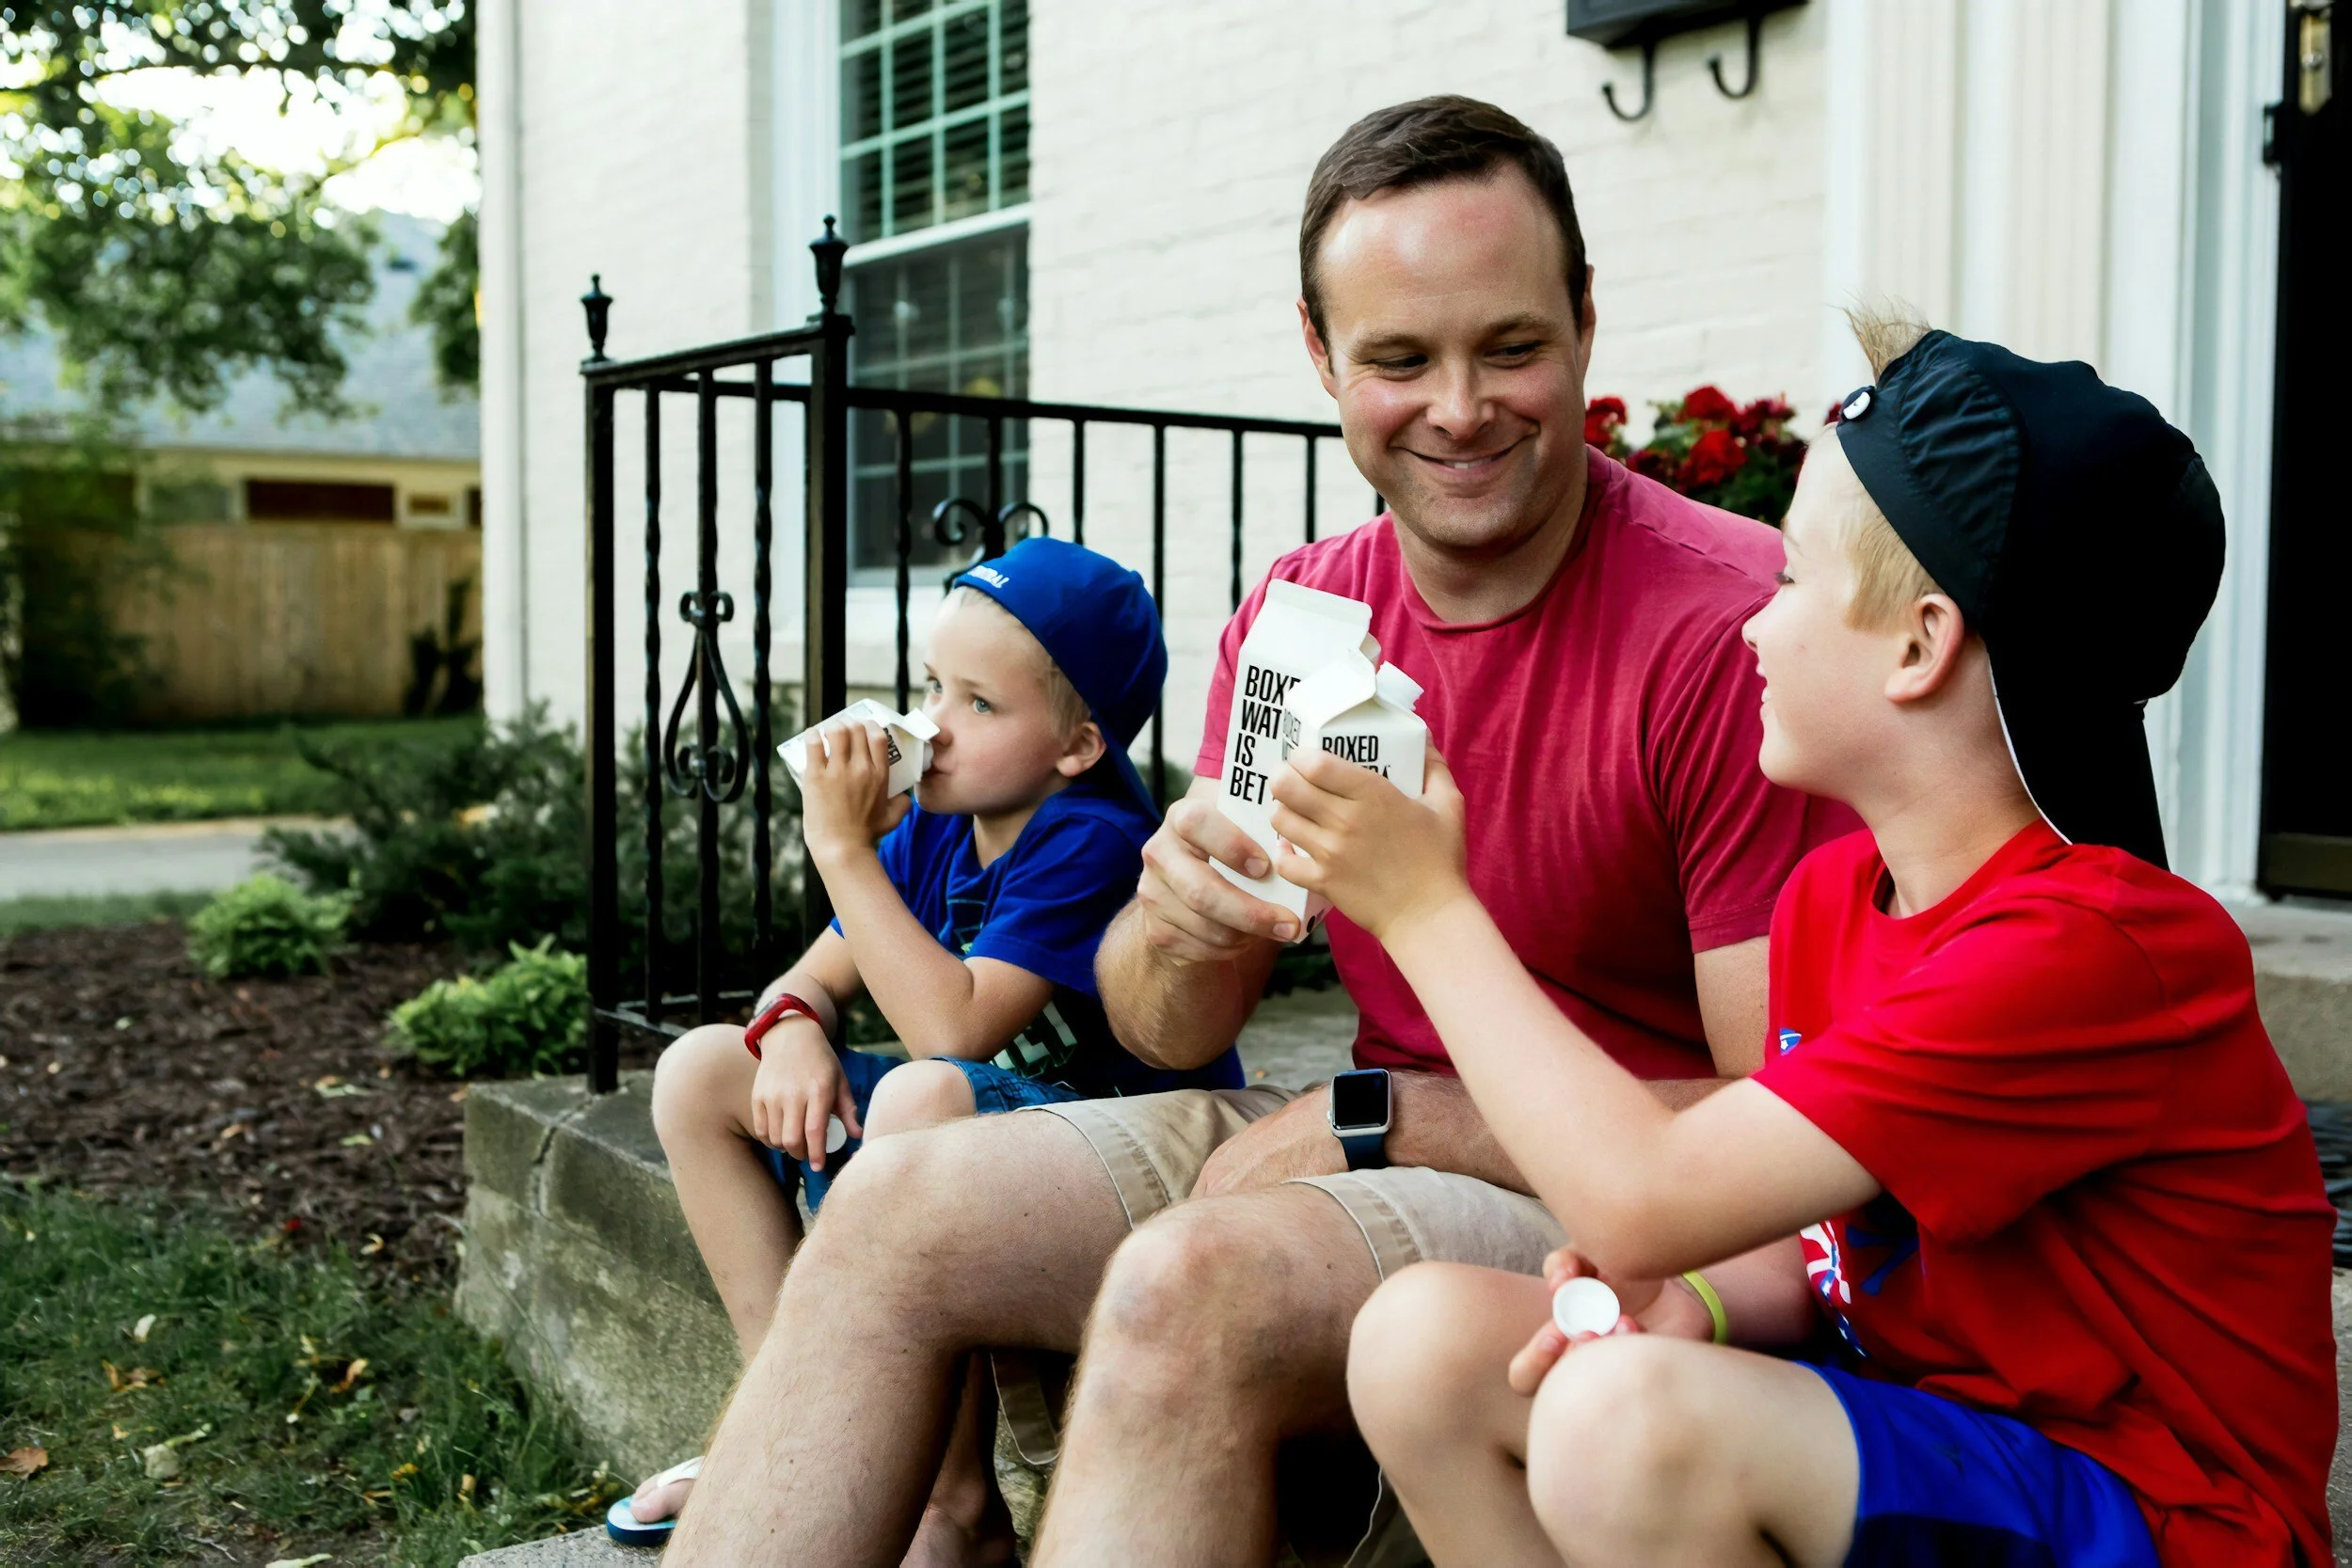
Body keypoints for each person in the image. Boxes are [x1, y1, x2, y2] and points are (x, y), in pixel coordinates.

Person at [666, 95, 1851, 1568]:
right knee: (898, 1191)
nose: (1461, 407)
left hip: (1599, 1200)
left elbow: (1792, 1130)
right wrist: (1172, 919)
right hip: (1354, 1145)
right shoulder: (1305, 615)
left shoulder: (1731, 631)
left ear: (1587, 323)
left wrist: (1387, 1116)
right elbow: (1173, 1031)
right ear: (1321, 357)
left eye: (1512, 346)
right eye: (1401, 358)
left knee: (1190, 1280)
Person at [1334, 317, 2337, 1565]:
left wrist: (1427, 907)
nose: (1753, 623)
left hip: (2165, 1514)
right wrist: (1694, 1294)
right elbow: (1824, 1253)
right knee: (1420, 1340)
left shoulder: (2093, 948)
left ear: (1920, 644)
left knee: (1626, 1419)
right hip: (1935, 1429)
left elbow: (1645, 1194)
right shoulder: (1833, 898)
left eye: (1792, 579)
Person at [615, 536, 1241, 1556]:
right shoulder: (944, 820)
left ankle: (952, 1506)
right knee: (700, 1069)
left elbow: (954, 1028)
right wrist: (791, 1033)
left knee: (919, 1097)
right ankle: (790, 1425)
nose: (929, 727)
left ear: (1077, 742)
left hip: (1108, 1156)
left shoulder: (1088, 835)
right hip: (980, 1123)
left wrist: (842, 848)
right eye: (928, 685)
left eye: (977, 703)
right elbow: (810, 976)